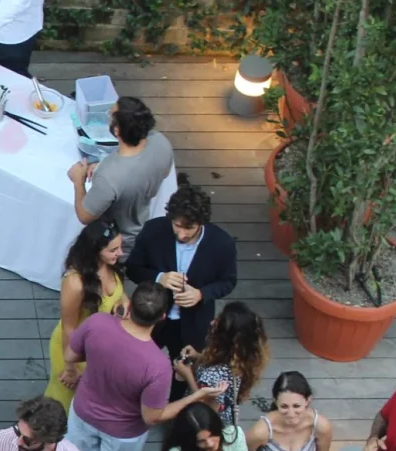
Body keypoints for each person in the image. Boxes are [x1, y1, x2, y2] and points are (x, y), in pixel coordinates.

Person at [64, 281, 221, 451]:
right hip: (123, 433)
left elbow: (71, 356)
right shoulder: (157, 365)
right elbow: (153, 416)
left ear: (130, 305)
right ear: (161, 317)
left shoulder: (98, 324)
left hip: (83, 413)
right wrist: (197, 396)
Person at [123, 179, 239, 364]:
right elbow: (133, 268)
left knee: (183, 373)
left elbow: (228, 281)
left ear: (202, 223)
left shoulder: (222, 244)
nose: (182, 234)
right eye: (177, 226)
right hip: (151, 317)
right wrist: (159, 278)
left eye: (189, 228)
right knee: (135, 362)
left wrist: (201, 294)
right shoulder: (153, 231)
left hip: (193, 324)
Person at [44, 220, 127, 410]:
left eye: (120, 247)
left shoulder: (110, 265)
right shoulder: (75, 283)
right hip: (74, 349)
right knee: (65, 402)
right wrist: (70, 368)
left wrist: (123, 304)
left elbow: (119, 294)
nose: (120, 253)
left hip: (100, 347)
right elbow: (69, 328)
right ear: (95, 250)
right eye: (113, 249)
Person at [68, 98, 174, 237]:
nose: (108, 117)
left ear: (117, 130)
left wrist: (78, 181)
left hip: (116, 241)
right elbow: (164, 173)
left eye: (110, 115)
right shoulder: (161, 142)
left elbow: (84, 216)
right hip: (141, 224)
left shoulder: (108, 175)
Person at [174, 299, 269, 425]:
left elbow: (208, 407)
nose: (212, 322)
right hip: (226, 416)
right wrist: (198, 357)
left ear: (225, 336)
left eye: (218, 322)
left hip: (203, 422)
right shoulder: (241, 358)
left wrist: (188, 375)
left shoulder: (213, 375)